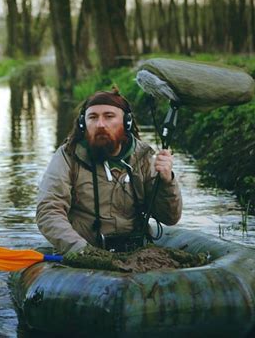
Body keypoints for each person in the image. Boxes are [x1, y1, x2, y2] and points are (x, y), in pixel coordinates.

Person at [36, 86, 182, 254]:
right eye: (93, 117)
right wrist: (82, 251)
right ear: (83, 124)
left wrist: (167, 181)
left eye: (109, 116)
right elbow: (48, 211)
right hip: (85, 252)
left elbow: (170, 218)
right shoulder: (68, 156)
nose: (100, 124)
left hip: (136, 252)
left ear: (126, 122)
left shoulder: (143, 157)